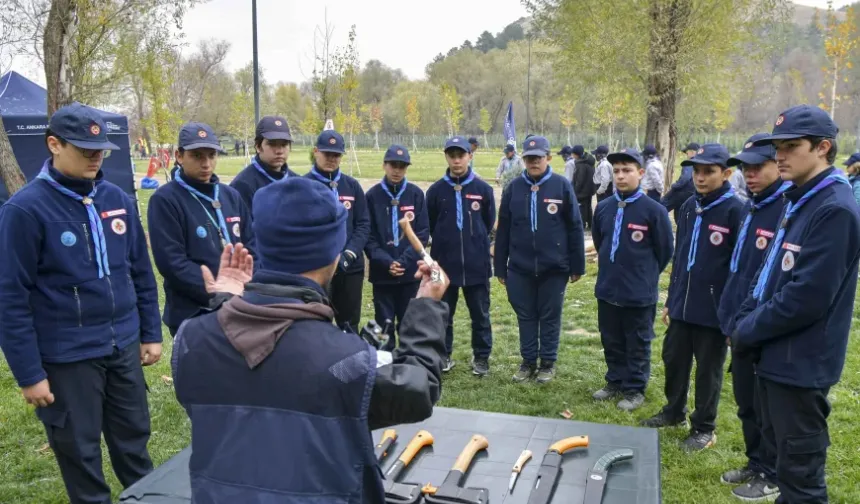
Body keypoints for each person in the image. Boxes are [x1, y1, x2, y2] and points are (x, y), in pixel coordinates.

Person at [172, 177, 449, 503]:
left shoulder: (191, 339)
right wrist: (426, 308)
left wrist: (226, 307)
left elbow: (232, 380)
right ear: (334, 252)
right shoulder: (347, 362)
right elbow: (418, 389)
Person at [0, 102, 162, 504]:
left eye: (101, 149)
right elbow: (9, 297)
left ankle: (146, 497)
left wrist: (149, 332)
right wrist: (28, 373)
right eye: (83, 148)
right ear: (53, 144)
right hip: (67, 356)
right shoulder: (25, 209)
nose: (95, 157)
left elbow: (139, 270)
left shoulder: (116, 197)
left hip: (122, 346)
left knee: (133, 441)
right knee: (79, 451)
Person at [732, 105, 860, 504]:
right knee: (785, 466)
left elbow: (806, 299)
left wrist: (745, 329)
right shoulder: (799, 199)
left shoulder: (834, 208)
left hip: (800, 365)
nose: (780, 156)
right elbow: (772, 273)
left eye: (791, 146)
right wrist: (745, 311)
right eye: (777, 147)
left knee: (802, 478)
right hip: (775, 355)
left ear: (823, 148)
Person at [641, 143, 745, 452]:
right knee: (674, 359)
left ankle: (704, 427)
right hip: (683, 304)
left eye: (709, 172)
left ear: (726, 173)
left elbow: (738, 268)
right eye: (696, 171)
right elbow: (681, 256)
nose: (700, 177)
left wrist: (731, 312)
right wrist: (672, 298)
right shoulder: (688, 206)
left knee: (708, 370)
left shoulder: (736, 210)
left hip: (714, 310)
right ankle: (674, 411)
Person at [715, 133, 787, 501]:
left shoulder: (785, 211)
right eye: (745, 168)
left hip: (764, 325)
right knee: (745, 402)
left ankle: (772, 473)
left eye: (758, 167)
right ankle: (755, 461)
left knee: (766, 405)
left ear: (779, 164)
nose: (751, 174)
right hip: (738, 321)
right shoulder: (751, 206)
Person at [148, 122, 256, 336]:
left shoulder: (230, 195)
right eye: (197, 156)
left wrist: (247, 288)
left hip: (240, 306)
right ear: (179, 156)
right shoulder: (165, 200)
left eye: (211, 155)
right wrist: (220, 293)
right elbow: (172, 263)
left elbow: (253, 244)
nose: (206, 163)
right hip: (193, 314)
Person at [494, 135, 586, 384]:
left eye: (539, 157)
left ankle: (547, 362)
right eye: (529, 158)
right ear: (524, 159)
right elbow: (503, 230)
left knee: (549, 315)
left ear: (548, 157)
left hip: (554, 267)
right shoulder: (513, 188)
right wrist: (500, 266)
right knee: (525, 315)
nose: (534, 162)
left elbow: (575, 226)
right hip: (520, 267)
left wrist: (577, 265)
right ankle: (527, 362)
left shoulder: (561, 186)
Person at [591, 148, 673, 412]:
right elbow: (599, 241)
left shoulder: (654, 211)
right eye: (616, 171)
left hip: (638, 292)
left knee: (637, 342)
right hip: (608, 288)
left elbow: (665, 251)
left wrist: (643, 274)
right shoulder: (603, 208)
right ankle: (614, 380)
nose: (620, 176)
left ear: (640, 173)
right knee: (611, 339)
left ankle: (635, 388)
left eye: (627, 171)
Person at [427, 136, 496, 376]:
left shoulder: (483, 189)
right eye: (452, 155)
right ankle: (443, 355)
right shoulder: (436, 191)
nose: (457, 160)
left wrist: (475, 244)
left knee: (480, 315)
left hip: (476, 265)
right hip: (445, 266)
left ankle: (481, 358)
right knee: (443, 314)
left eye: (461, 155)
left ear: (470, 156)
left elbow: (487, 223)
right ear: (446, 157)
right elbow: (431, 223)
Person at [365, 145, 429, 351]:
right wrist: (386, 262)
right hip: (383, 275)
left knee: (409, 323)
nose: (397, 170)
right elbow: (368, 236)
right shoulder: (372, 196)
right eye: (393, 165)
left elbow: (422, 234)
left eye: (402, 166)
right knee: (384, 324)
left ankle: (408, 363)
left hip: (409, 273)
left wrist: (403, 262)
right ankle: (386, 364)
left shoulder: (416, 195)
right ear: (384, 165)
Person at [306, 130, 371, 331]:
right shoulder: (304, 185)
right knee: (316, 323)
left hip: (350, 267)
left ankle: (351, 361)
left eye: (336, 155)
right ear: (316, 152)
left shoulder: (352, 186)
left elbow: (363, 223)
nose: (332, 159)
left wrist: (349, 254)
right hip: (317, 268)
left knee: (349, 323)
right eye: (327, 154)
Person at [230, 115, 298, 213]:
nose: (279, 151)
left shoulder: (297, 181)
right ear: (258, 146)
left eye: (284, 144)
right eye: (272, 144)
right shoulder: (243, 185)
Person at [661, 142, 699, 225]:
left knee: (660, 206)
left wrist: (675, 186)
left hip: (681, 192)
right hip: (692, 193)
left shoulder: (689, 163)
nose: (686, 154)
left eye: (687, 152)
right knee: (680, 213)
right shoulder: (700, 163)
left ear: (692, 152)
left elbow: (685, 178)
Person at [572, 145, 596, 231]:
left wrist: (575, 191)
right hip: (589, 190)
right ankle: (590, 224)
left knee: (582, 208)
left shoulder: (580, 165)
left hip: (582, 192)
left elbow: (579, 180)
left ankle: (581, 225)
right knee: (588, 207)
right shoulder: (588, 162)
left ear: (576, 154)